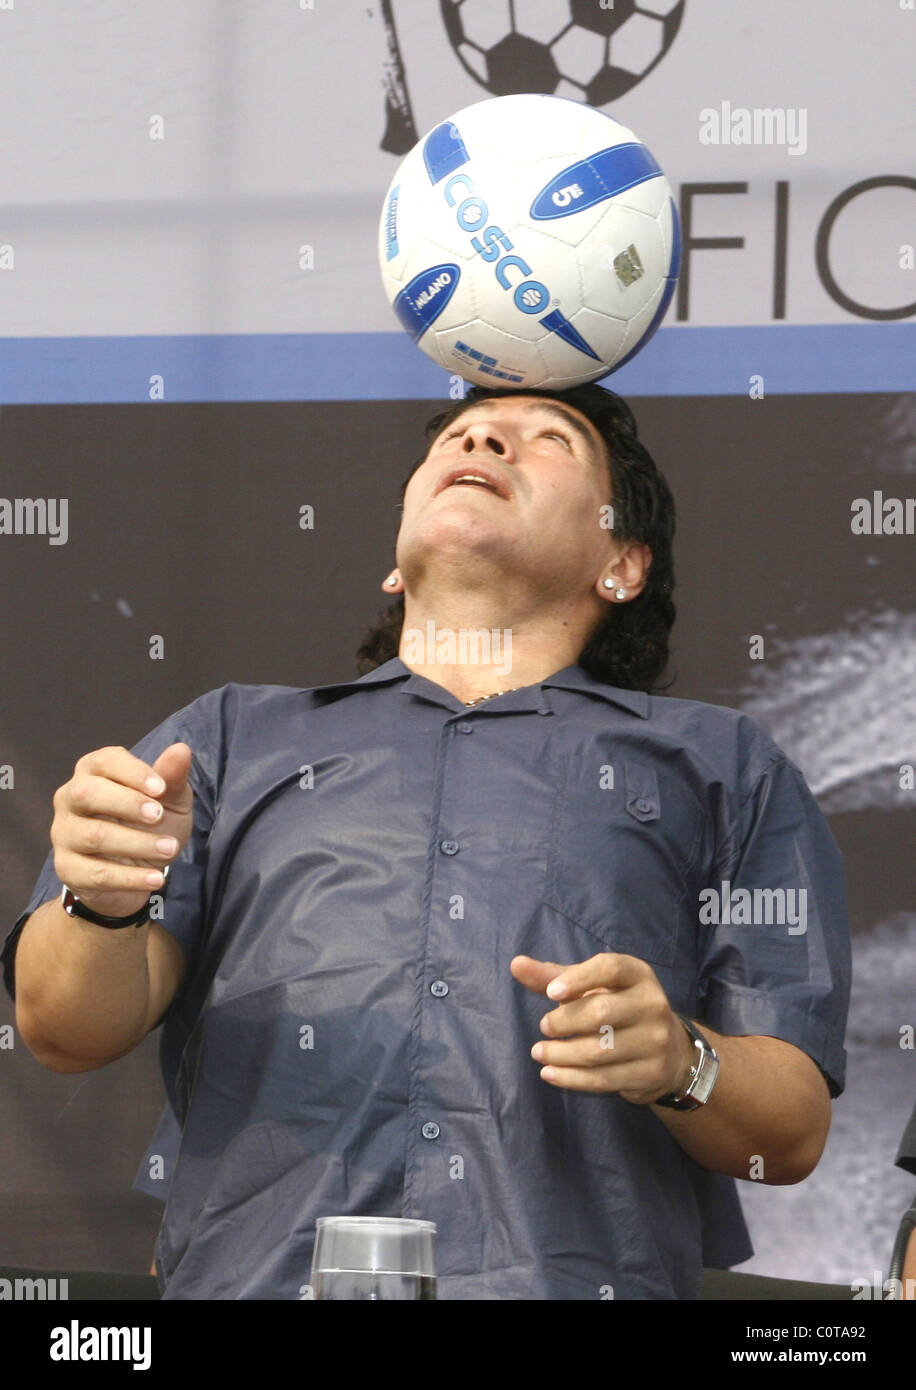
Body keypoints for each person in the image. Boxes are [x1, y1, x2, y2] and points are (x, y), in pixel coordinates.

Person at [3, 383, 850, 1300]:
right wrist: (101, 902)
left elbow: (790, 1134)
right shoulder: (225, 739)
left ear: (623, 563)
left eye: (550, 438)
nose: (485, 435)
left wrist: (684, 1061)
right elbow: (61, 1032)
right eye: (460, 433)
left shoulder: (724, 765)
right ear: (396, 567)